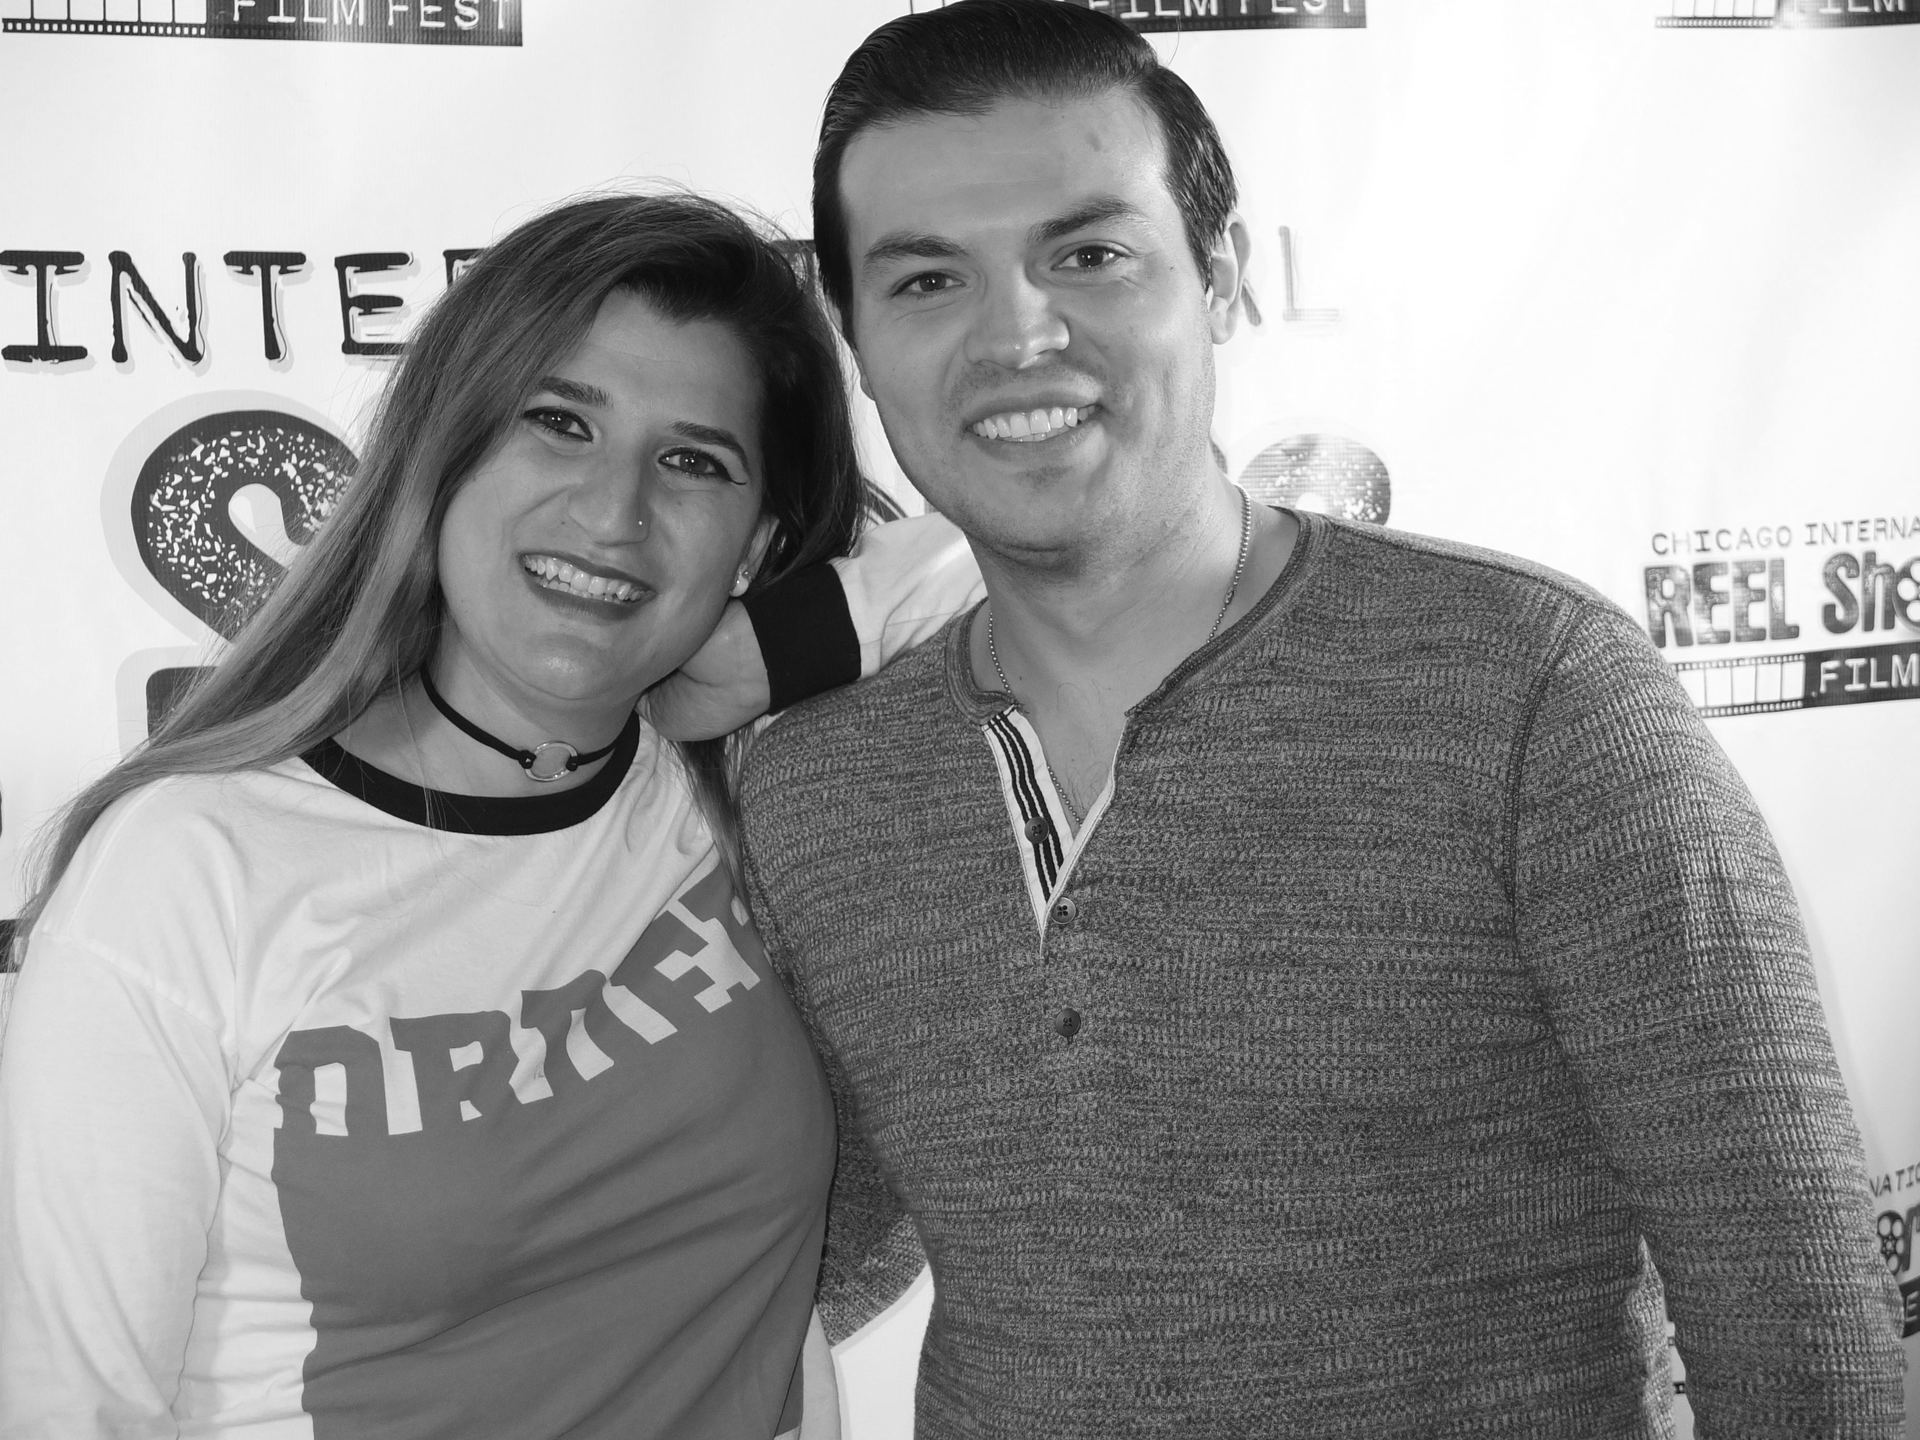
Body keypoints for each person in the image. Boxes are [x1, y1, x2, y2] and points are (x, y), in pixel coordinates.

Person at [729, 2, 1910, 1436]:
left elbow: (1796, 1318)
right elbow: (797, 1251)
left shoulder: (1531, 695)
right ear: (854, 339)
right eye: (926, 280)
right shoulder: (820, 788)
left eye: (1090, 254)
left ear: (1218, 281)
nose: (1018, 334)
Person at [0, 192, 898, 1440]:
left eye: (695, 461)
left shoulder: (753, 799)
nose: (613, 510)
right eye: (558, 423)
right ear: (443, 450)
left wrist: (775, 648)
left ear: (759, 539)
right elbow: (62, 1407)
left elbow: (1068, 540)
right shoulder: (187, 871)